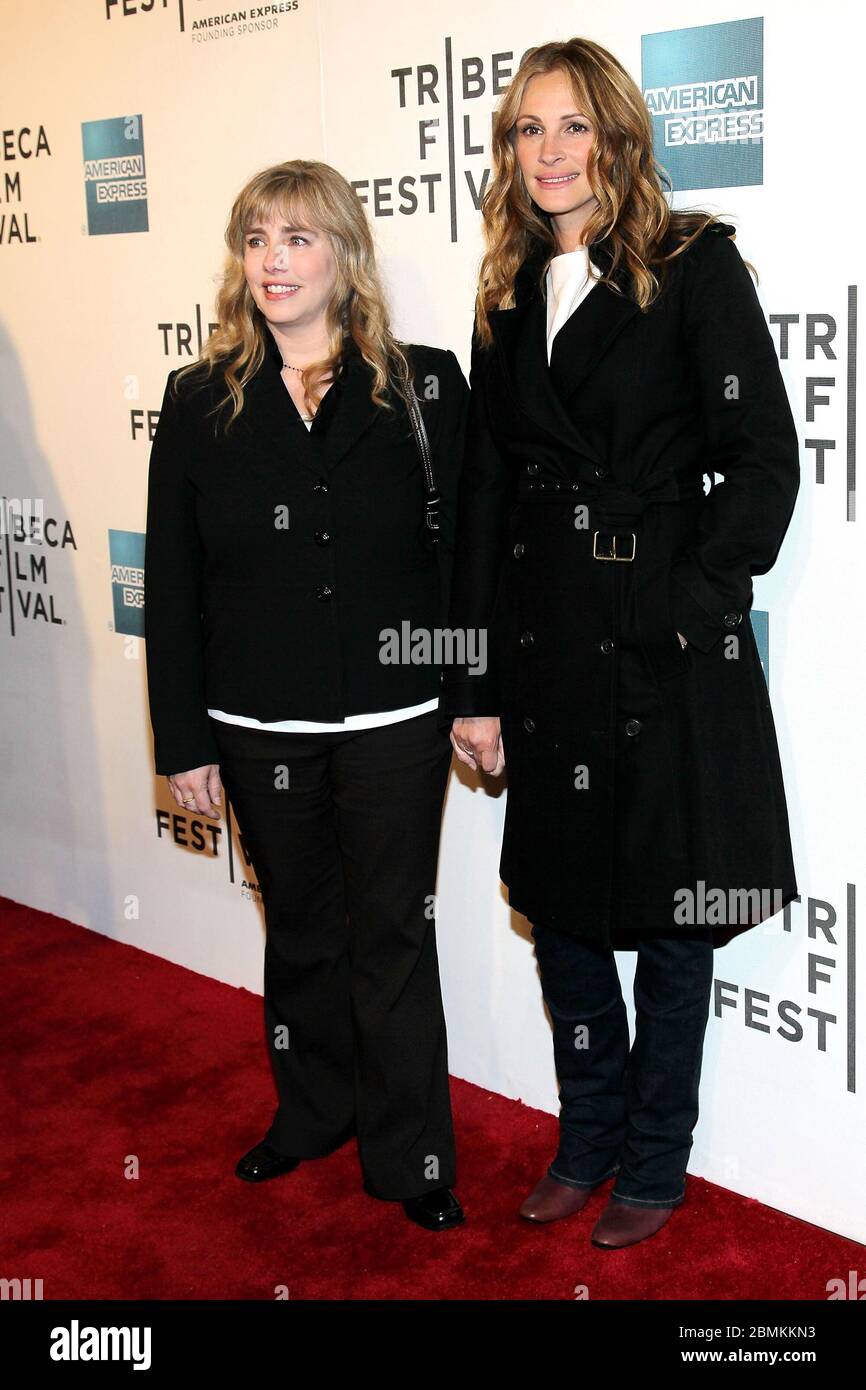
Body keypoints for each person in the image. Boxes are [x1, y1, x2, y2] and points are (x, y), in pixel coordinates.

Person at [440, 38, 799, 1249]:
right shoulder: (501, 295)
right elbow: (485, 498)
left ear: (617, 136)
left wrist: (681, 596)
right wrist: (473, 681)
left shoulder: (691, 265)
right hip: (543, 650)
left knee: (672, 913)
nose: (547, 152)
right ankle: (585, 1134)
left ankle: (654, 1156)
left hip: (660, 652)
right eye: (525, 131)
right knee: (567, 914)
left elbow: (761, 463)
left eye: (571, 126)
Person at [144, 160, 470, 1231]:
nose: (272, 261)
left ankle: (412, 1153)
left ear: (343, 253)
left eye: (296, 238)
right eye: (254, 240)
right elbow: (174, 580)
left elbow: (463, 558)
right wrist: (182, 737)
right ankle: (310, 1111)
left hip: (393, 722)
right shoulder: (200, 400)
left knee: (391, 934)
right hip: (253, 724)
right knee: (299, 931)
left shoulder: (421, 387)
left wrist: (475, 694)